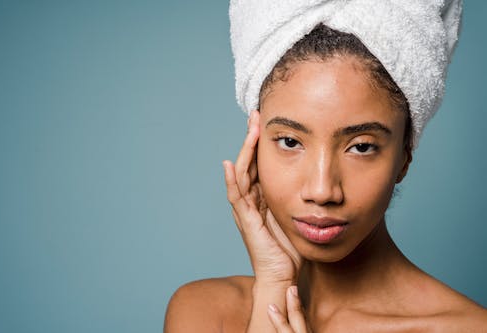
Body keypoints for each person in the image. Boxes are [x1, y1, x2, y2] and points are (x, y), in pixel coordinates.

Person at [164, 1, 487, 332]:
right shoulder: (203, 313)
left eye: (361, 147)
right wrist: (273, 287)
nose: (322, 191)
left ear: (404, 154)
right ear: (255, 143)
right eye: (290, 142)